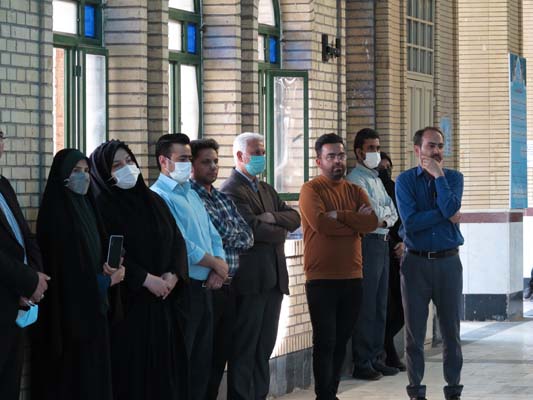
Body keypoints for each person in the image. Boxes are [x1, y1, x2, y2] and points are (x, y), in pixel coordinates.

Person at [89, 140, 189, 400]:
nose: (126, 168)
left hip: (164, 302)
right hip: (128, 307)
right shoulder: (101, 206)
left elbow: (177, 240)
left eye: (129, 161)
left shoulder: (153, 200)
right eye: (116, 165)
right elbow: (109, 252)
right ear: (103, 172)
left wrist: (173, 274)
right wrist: (145, 279)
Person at [31, 149, 125, 400]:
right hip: (69, 322)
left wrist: (113, 266)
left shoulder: (89, 208)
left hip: (96, 312)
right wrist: (106, 281)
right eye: (75, 171)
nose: (83, 177)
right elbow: (66, 277)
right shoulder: (56, 217)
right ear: (62, 175)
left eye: (86, 171)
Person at [220, 132, 300, 400]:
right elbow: (251, 230)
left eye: (263, 152)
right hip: (250, 281)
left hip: (274, 279)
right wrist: (280, 229)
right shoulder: (231, 190)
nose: (262, 158)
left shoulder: (266, 188)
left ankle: (259, 395)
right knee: (245, 347)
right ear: (240, 156)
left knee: (264, 347)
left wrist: (272, 218)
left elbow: (295, 217)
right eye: (256, 153)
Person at [299, 133, 378, 400]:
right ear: (319, 161)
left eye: (341, 155)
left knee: (342, 340)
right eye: (331, 156)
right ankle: (324, 395)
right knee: (325, 341)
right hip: (321, 278)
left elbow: (371, 223)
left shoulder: (355, 190)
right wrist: (355, 224)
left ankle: (332, 392)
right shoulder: (311, 190)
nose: (337, 161)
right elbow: (321, 224)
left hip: (352, 276)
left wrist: (342, 216)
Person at [151, 133, 228, 400]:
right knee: (183, 363)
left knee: (202, 365)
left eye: (188, 158)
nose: (188, 164)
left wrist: (219, 266)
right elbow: (181, 243)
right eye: (182, 159)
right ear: (164, 161)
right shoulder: (159, 197)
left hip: (207, 287)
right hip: (185, 290)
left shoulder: (192, 194)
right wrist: (214, 263)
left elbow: (212, 234)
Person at [395, 127, 464, 400]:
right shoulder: (404, 181)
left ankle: (453, 390)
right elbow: (410, 222)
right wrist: (445, 214)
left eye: (440, 146)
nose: (436, 151)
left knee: (451, 332)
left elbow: (451, 209)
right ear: (417, 150)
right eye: (431, 146)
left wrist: (439, 177)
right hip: (416, 264)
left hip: (448, 263)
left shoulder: (454, 178)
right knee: (414, 334)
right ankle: (416, 391)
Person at [190, 138, 254, 400]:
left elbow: (248, 236)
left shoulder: (221, 197)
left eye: (215, 161)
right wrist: (231, 234)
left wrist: (230, 234)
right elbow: (216, 232)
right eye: (206, 162)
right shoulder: (191, 197)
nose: (213, 167)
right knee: (202, 360)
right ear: (192, 165)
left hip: (230, 287)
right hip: (206, 287)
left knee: (220, 357)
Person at [347, 128, 399, 380]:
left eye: (377, 148)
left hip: (383, 241)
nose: (375, 153)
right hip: (368, 243)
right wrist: (383, 218)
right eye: (370, 149)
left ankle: (378, 357)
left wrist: (384, 219)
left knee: (381, 304)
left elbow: (392, 210)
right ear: (358, 152)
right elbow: (373, 215)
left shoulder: (377, 179)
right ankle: (363, 361)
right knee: (367, 304)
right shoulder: (355, 180)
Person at [0, 129, 48, 400]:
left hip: (16, 307)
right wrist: (28, 281)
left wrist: (36, 276)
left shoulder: (3, 184)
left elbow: (25, 236)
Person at [377, 151, 406, 371]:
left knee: (403, 307)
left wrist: (404, 242)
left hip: (400, 253)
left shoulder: (397, 189)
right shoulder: (370, 188)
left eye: (388, 168)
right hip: (381, 250)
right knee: (386, 305)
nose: (385, 172)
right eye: (381, 168)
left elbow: (405, 218)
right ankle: (387, 351)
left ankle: (387, 345)